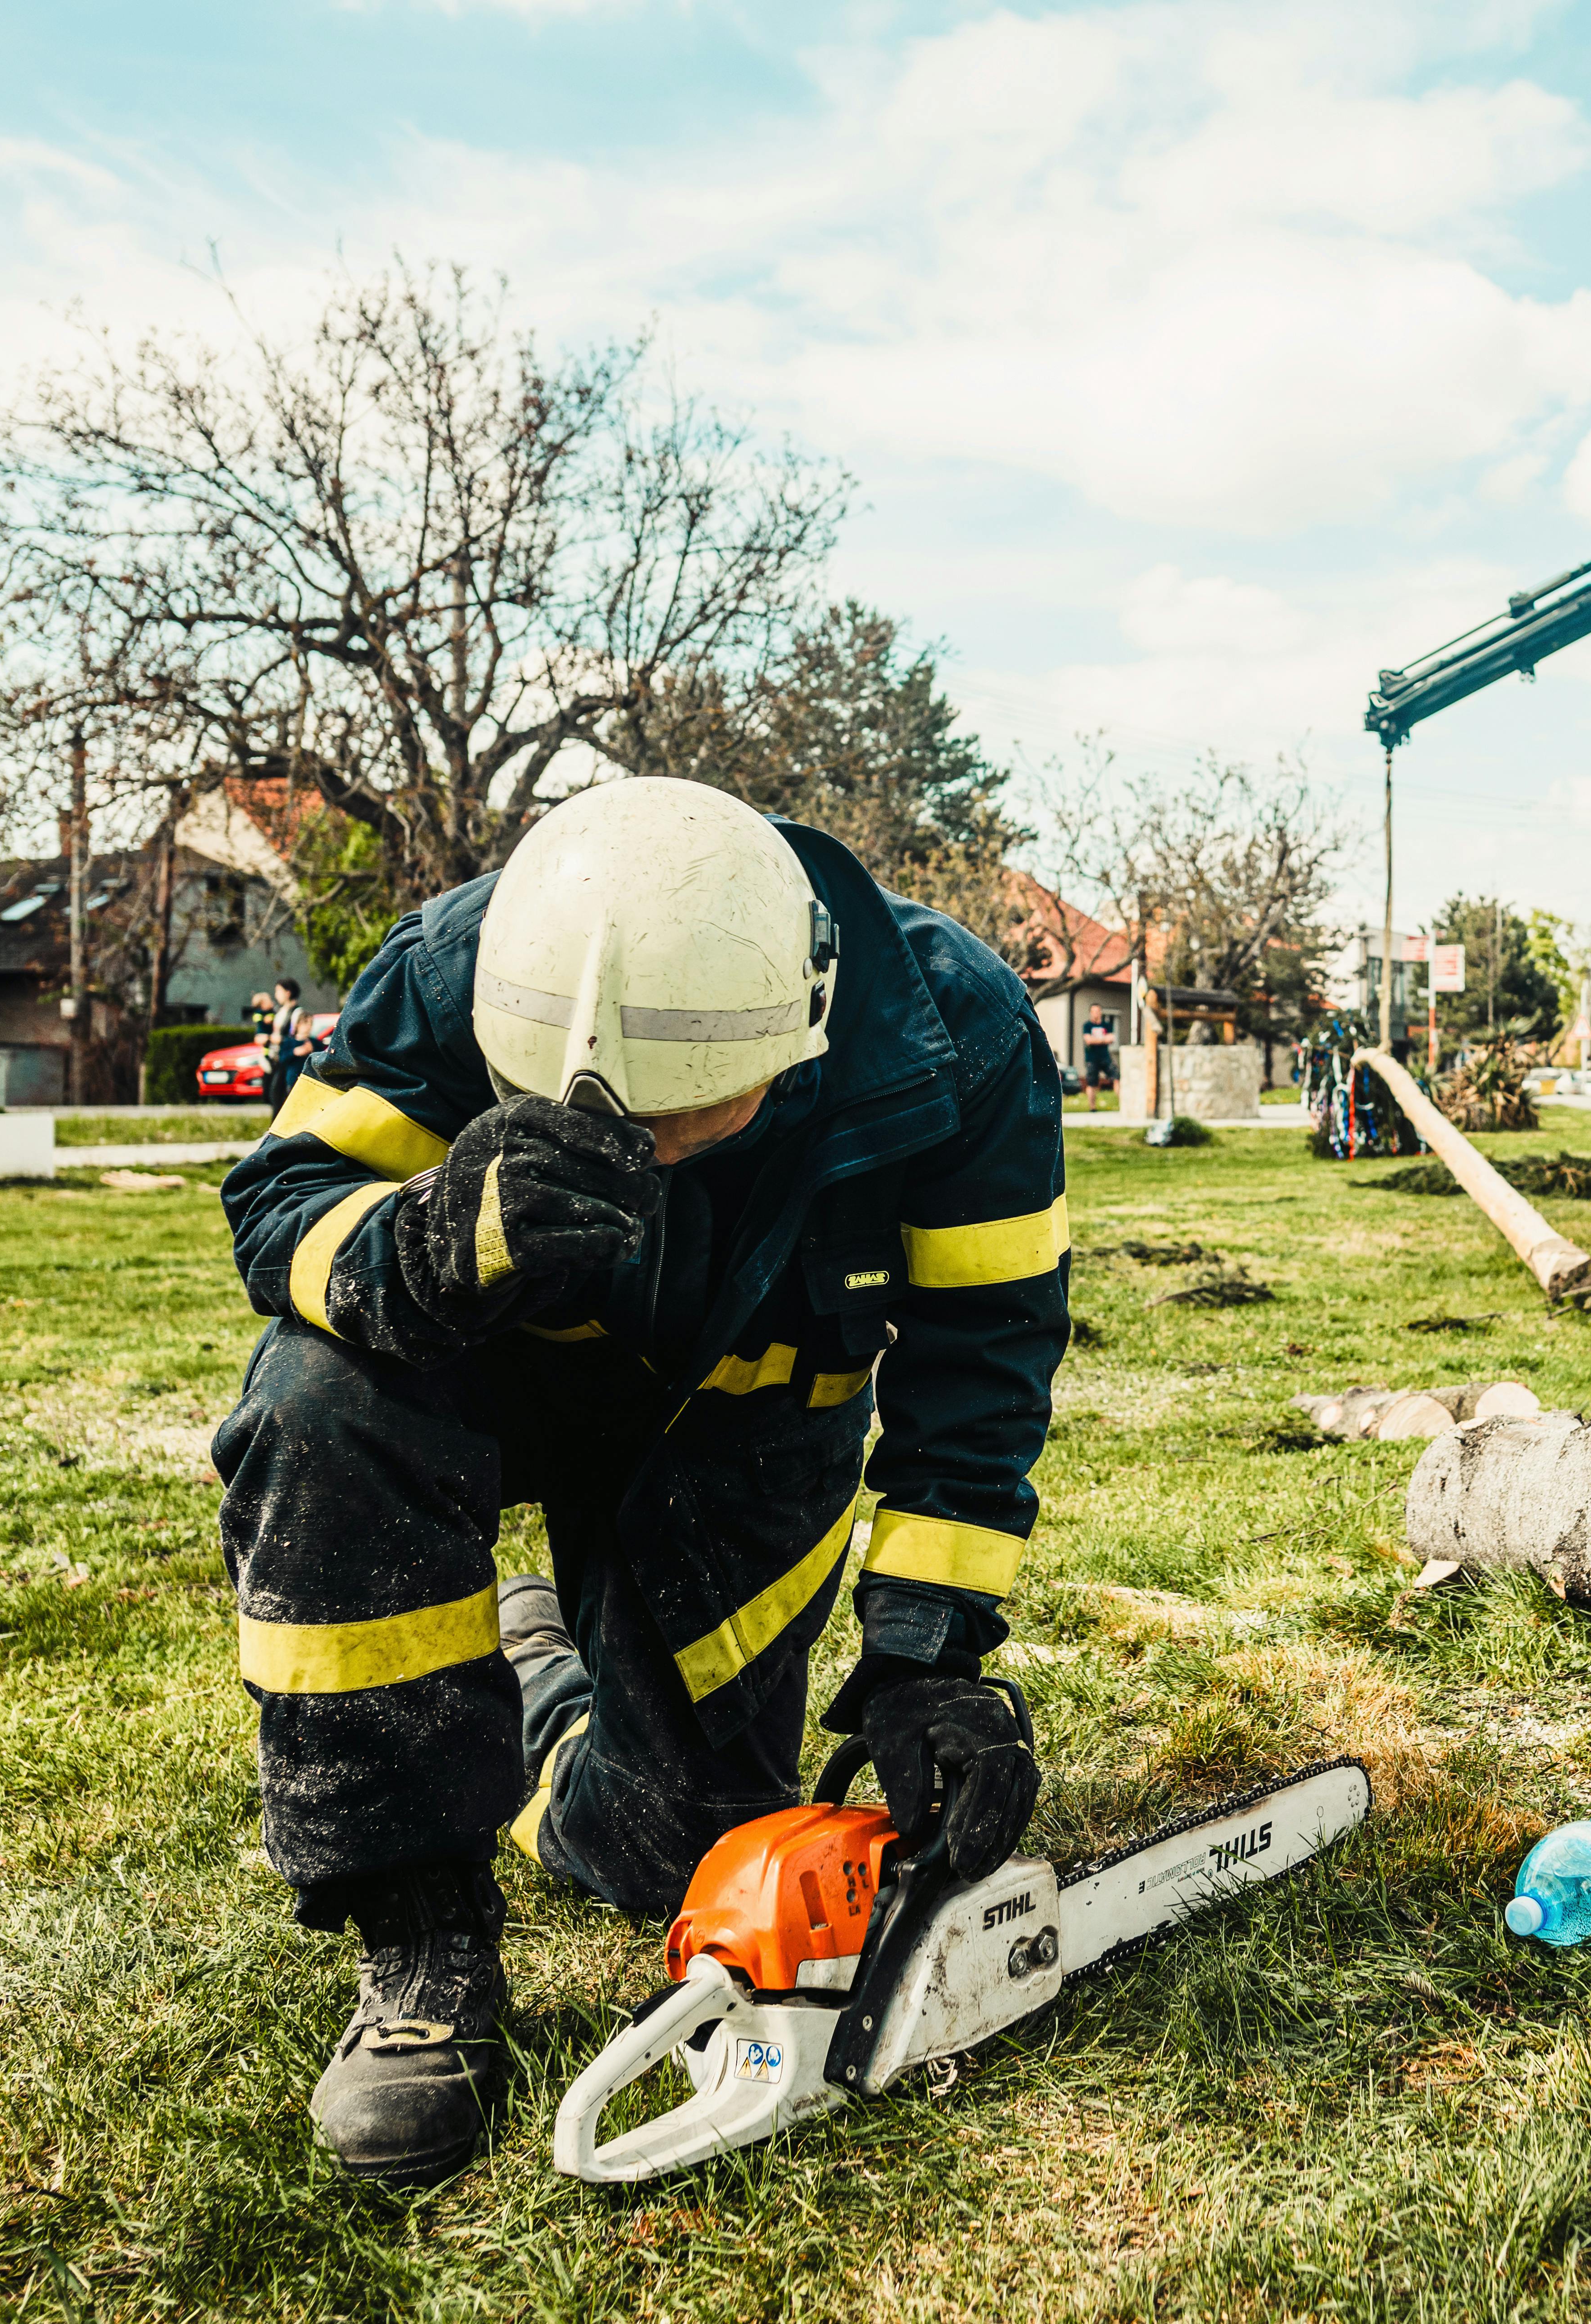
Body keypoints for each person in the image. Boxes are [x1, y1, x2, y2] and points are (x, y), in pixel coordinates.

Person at [212, 778, 1067, 2184]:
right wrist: (421, 1242)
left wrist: (928, 1652)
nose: (636, 1143)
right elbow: (278, 1205)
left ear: (800, 1030)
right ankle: (421, 1933)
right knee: (314, 1398)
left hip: (748, 1430)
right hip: (489, 1373)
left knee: (672, 1852)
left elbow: (984, 1358)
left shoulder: (950, 1031)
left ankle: (538, 1680)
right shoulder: (453, 967)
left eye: (683, 1113)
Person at [263, 978, 312, 1109]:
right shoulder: (280, 1011)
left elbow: (296, 1036)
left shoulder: (297, 1013)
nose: (276, 995)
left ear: (288, 992)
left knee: (278, 1095)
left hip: (288, 1059)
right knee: (272, 1095)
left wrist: (280, 1040)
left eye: (279, 991)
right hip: (276, 1058)